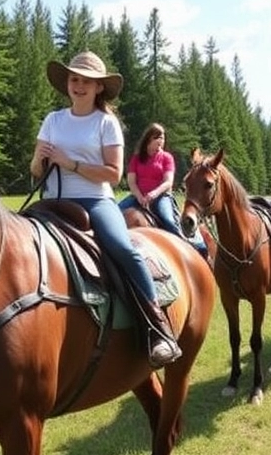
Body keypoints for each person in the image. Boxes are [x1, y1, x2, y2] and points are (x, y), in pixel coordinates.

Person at [31, 50, 181, 368]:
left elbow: (113, 174)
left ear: (99, 87)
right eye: (74, 79)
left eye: (87, 81)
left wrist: (68, 162)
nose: (79, 85)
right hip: (52, 201)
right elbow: (35, 170)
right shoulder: (53, 120)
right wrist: (39, 159)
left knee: (122, 248)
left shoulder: (106, 123)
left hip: (95, 200)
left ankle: (157, 328)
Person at [118, 122, 207, 256]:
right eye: (157, 138)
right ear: (149, 139)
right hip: (139, 196)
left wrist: (153, 194)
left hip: (161, 197)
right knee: (115, 211)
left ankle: (186, 248)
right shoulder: (136, 159)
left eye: (163, 138)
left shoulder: (167, 158)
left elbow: (168, 182)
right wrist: (139, 196)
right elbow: (131, 181)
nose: (161, 141)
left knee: (168, 220)